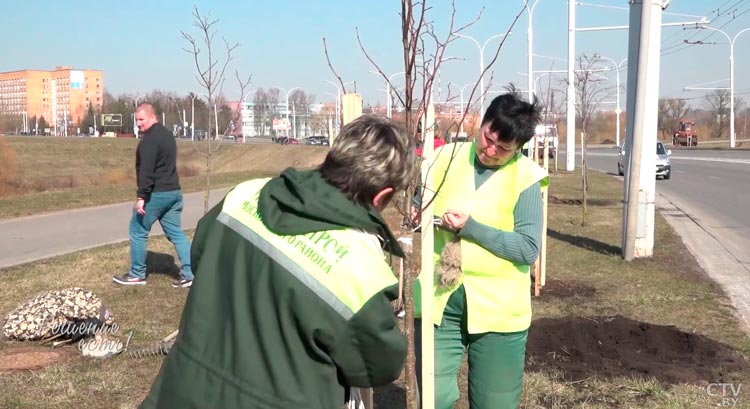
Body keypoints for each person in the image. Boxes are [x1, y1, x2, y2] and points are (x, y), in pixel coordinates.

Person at [140, 114, 418, 409]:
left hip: (181, 392)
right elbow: (378, 365)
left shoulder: (244, 195)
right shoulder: (359, 264)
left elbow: (200, 258)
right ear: (382, 196)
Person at [414, 86, 549, 409]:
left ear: (518, 148)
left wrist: (470, 228)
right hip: (440, 300)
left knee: (494, 402)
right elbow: (419, 207)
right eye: (488, 138)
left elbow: (527, 248)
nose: (490, 151)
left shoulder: (526, 178)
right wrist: (419, 214)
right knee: (433, 398)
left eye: (503, 149)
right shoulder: (442, 158)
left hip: (499, 311)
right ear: (483, 122)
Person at [112, 103, 194, 288]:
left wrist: (141, 197)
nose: (139, 124)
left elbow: (147, 171)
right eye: (137, 120)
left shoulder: (150, 140)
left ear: (152, 117)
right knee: (176, 233)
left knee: (138, 231)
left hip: (157, 194)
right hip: (174, 193)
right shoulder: (167, 135)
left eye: (141, 119)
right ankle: (190, 273)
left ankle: (136, 274)